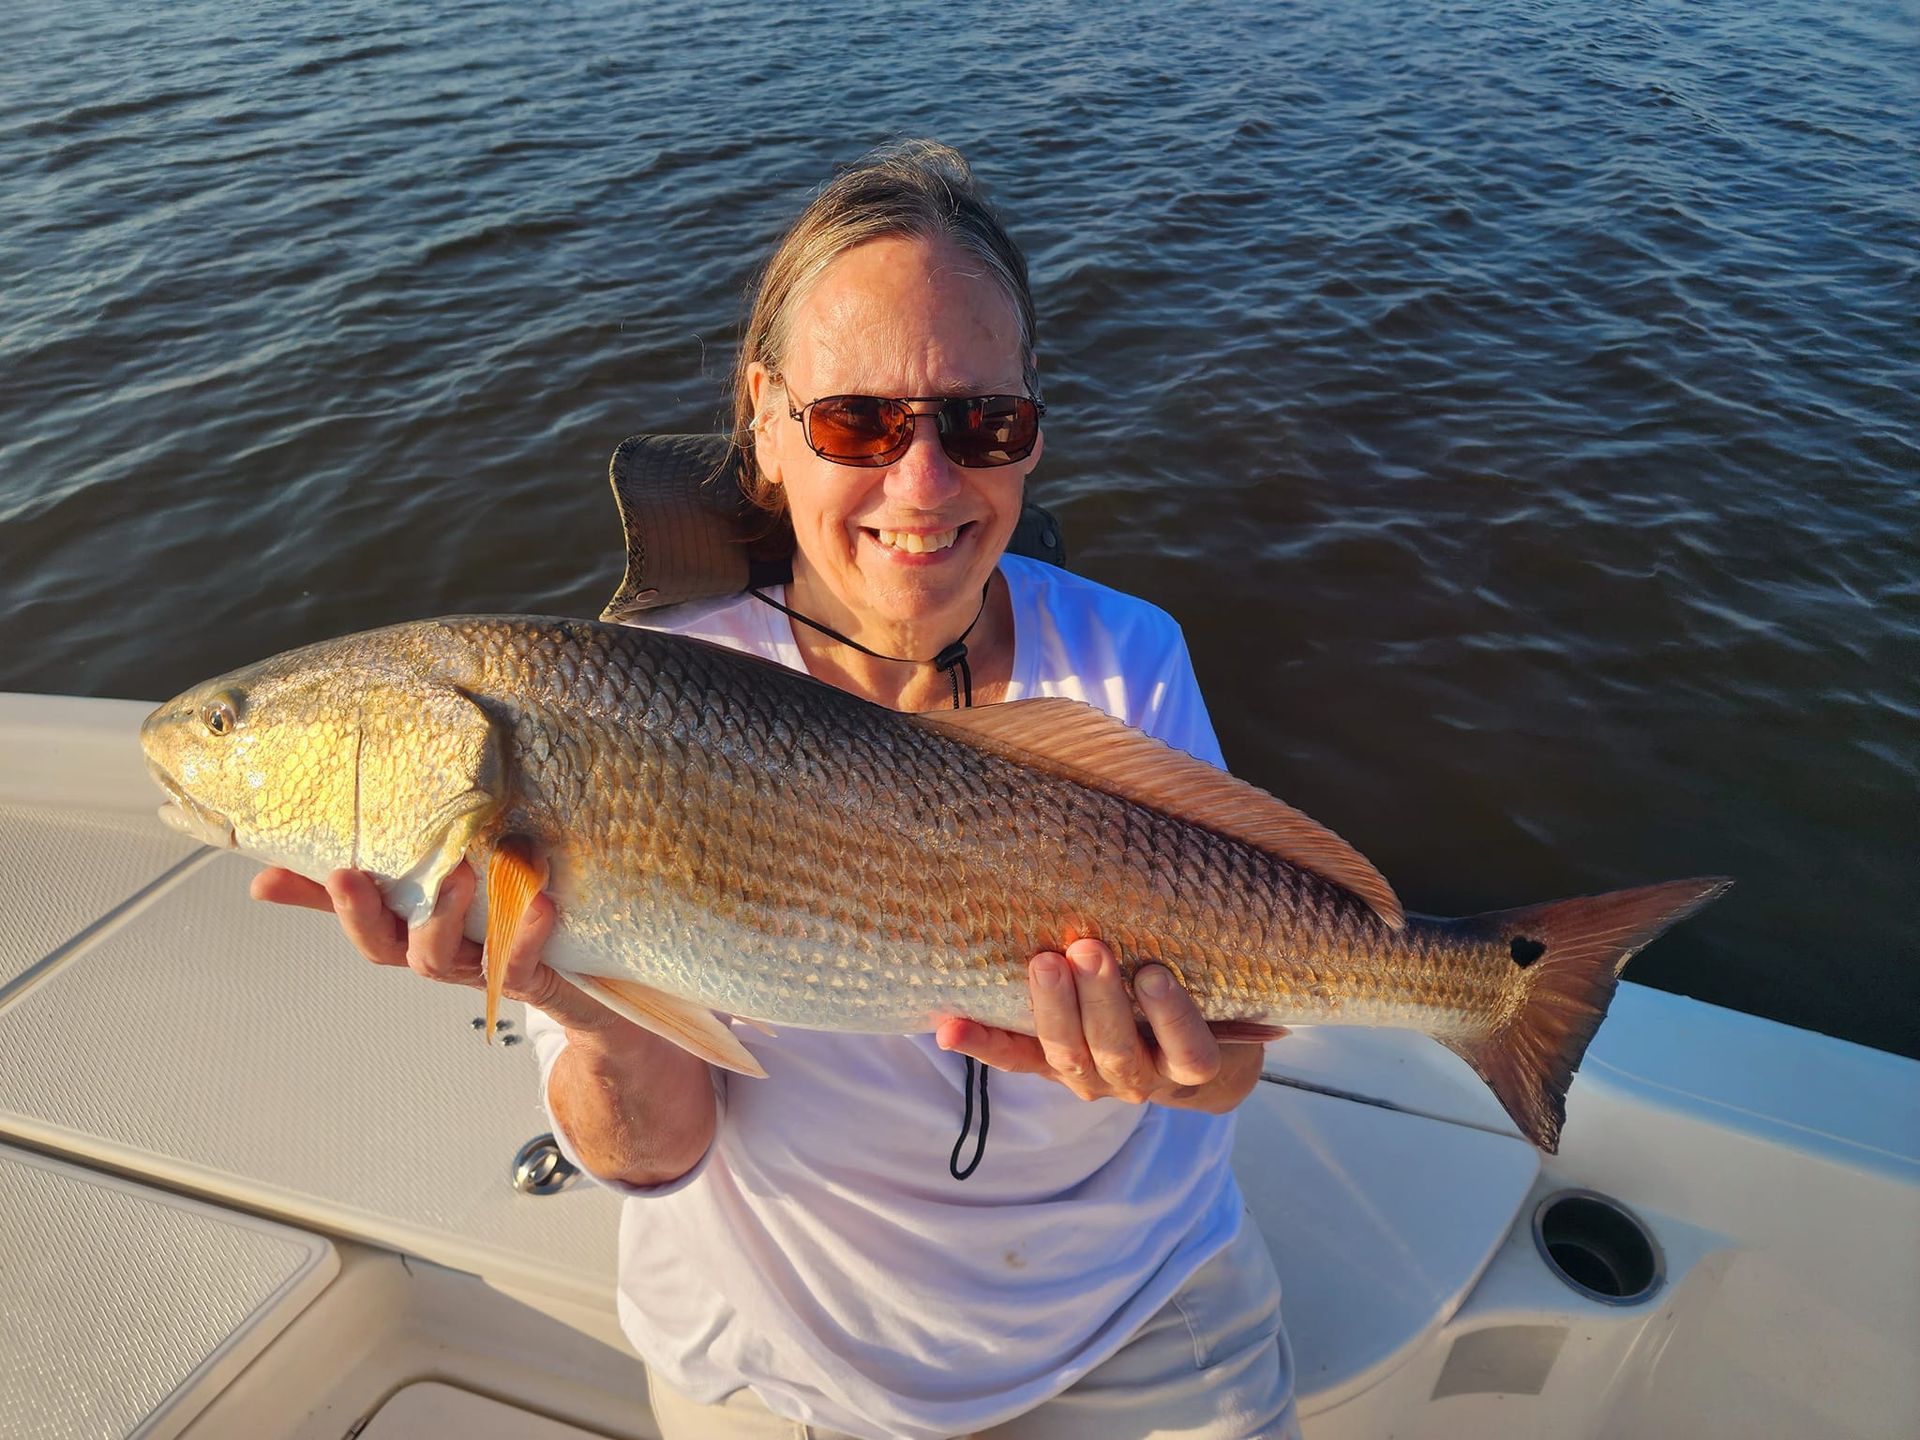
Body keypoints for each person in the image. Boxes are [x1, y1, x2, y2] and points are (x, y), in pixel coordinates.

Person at [254, 139, 1299, 1440]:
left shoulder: (1128, 655)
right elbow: (653, 1156)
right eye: (858, 420)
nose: (923, 484)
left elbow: (1235, 1062)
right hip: (785, 1368)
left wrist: (1182, 1071)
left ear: (1033, 432)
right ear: (765, 416)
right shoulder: (631, 700)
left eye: (982, 421)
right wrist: (575, 1004)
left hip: (1141, 1312)